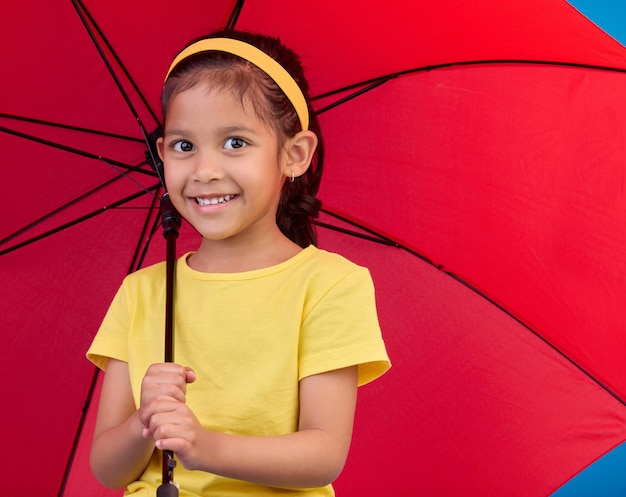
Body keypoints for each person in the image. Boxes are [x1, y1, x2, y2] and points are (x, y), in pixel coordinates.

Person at [87, 29, 391, 497]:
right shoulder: (142, 292)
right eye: (183, 146)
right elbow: (108, 470)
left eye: (234, 142)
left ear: (294, 154)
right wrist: (143, 423)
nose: (205, 170)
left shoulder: (330, 286)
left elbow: (323, 454)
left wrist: (204, 446)